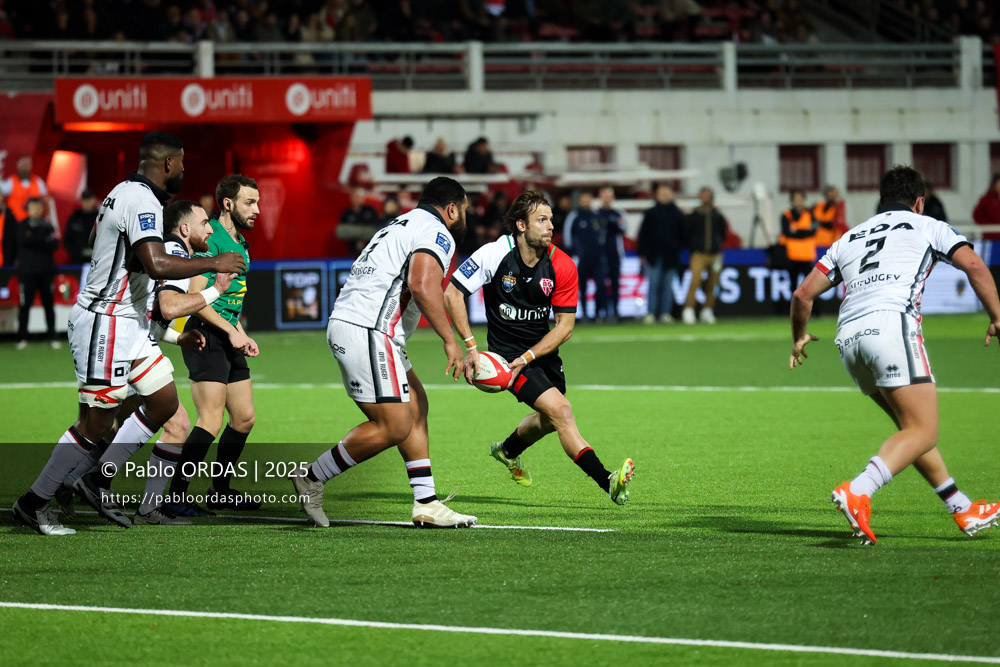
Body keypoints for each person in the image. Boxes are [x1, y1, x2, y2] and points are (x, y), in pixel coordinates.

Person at [10, 131, 246, 536]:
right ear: (168, 163)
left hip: (130, 322)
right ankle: (33, 503)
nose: (184, 169)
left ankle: (95, 479)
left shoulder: (121, 192)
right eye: (182, 162)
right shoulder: (140, 199)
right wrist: (214, 264)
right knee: (96, 423)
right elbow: (156, 265)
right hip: (105, 320)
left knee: (164, 402)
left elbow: (98, 239)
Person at [790, 165, 1000, 545]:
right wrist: (997, 316)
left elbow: (803, 295)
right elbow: (973, 264)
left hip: (848, 337)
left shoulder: (849, 237)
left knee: (912, 430)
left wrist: (799, 337)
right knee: (924, 431)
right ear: (919, 201)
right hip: (890, 326)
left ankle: (962, 507)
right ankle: (858, 490)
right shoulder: (928, 225)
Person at [289, 176, 476, 529]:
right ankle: (312, 476)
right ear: (451, 209)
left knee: (417, 406)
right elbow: (421, 284)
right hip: (370, 329)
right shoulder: (437, 231)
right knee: (394, 425)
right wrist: (450, 340)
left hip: (363, 326)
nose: (465, 217)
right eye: (464, 210)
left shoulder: (401, 223)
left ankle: (426, 503)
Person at [444, 191, 635, 504]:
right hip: (507, 357)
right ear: (521, 225)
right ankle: (609, 481)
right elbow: (452, 293)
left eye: (551, 220)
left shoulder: (562, 264)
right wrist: (470, 347)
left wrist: (530, 356)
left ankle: (507, 451)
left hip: (541, 353)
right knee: (562, 411)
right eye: (542, 220)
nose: (550, 226)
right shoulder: (494, 254)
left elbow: (565, 327)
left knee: (548, 420)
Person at [54, 200, 235, 526]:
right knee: (173, 423)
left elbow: (150, 317)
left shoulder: (165, 252)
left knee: (111, 425)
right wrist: (216, 291)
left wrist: (178, 338)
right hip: (119, 342)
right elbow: (169, 307)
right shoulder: (176, 253)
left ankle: (69, 483)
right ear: (184, 228)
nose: (210, 229)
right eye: (204, 223)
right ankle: (106, 488)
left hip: (118, 338)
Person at [167, 175, 260, 515]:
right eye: (249, 203)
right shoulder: (212, 239)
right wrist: (230, 331)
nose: (257, 210)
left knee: (244, 419)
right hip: (205, 334)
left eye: (257, 203)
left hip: (226, 334)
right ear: (228, 204)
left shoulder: (241, 244)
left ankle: (220, 491)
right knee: (209, 420)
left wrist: (240, 332)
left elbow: (228, 301)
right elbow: (196, 298)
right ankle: (175, 496)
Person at [15, 198, 59, 349]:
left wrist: (35, 239)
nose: (36, 210)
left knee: (49, 305)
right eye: (33, 207)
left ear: (42, 209)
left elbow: (54, 244)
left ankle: (52, 337)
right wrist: (42, 239)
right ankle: (22, 338)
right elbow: (23, 241)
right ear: (28, 209)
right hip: (27, 272)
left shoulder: (48, 225)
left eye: (38, 207)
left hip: (46, 272)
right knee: (25, 305)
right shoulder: (21, 225)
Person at [638, 184, 685, 324]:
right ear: (656, 196)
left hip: (671, 256)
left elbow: (683, 235)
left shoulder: (678, 214)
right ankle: (651, 313)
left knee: (668, 286)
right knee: (653, 285)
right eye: (661, 193)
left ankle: (665, 313)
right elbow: (643, 234)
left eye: (666, 193)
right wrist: (642, 253)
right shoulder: (650, 213)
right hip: (653, 255)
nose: (664, 196)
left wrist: (677, 248)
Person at [681, 187, 727, 325]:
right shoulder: (694, 215)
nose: (706, 198)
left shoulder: (718, 215)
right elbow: (687, 234)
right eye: (703, 195)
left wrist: (716, 245)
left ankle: (707, 309)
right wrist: (694, 246)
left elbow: (723, 233)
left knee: (713, 284)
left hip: (715, 254)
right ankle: (688, 309)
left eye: (708, 195)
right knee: (695, 281)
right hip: (698, 254)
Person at [562, 191, 605, 323]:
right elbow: (567, 236)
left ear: (591, 200)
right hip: (581, 258)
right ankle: (585, 313)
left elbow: (602, 235)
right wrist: (573, 254)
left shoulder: (596, 215)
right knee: (582, 286)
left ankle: (598, 313)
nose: (585, 202)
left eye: (588, 199)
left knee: (600, 285)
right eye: (583, 200)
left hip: (597, 258)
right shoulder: (574, 216)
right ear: (580, 201)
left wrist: (601, 252)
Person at [597, 185, 626, 322]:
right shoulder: (596, 213)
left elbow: (624, 227)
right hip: (600, 254)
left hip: (614, 253)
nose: (607, 198)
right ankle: (600, 312)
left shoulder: (618, 212)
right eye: (604, 195)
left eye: (609, 195)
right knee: (600, 283)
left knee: (615, 282)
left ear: (613, 197)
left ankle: (615, 310)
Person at [779, 188, 818, 284]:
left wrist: (795, 231)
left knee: (810, 284)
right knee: (793, 284)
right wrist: (805, 231)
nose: (798, 202)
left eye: (800, 199)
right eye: (796, 200)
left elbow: (813, 231)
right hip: (791, 256)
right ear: (792, 201)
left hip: (807, 256)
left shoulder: (811, 214)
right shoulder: (786, 215)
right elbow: (786, 232)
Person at [1, 156, 50, 223]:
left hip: (32, 222)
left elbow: (46, 201)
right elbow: (2, 196)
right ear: (17, 166)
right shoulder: (10, 181)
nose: (24, 168)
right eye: (22, 165)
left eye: (26, 165)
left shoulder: (38, 182)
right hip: (13, 221)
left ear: (31, 166)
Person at [336, 187, 381, 256]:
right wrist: (362, 234)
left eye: (359, 196)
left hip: (369, 251)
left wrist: (359, 236)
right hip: (351, 251)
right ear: (351, 198)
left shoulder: (370, 210)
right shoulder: (347, 212)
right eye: (355, 196)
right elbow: (341, 231)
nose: (357, 199)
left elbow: (375, 230)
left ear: (363, 198)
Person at [64, 189, 99, 265]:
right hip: (77, 261)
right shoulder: (74, 218)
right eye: (85, 200)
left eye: (89, 200)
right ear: (81, 201)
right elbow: (67, 240)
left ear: (94, 200)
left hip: (98, 261)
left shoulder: (100, 218)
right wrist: (77, 254)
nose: (87, 203)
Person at [972, 175, 1000, 242]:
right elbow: (976, 215)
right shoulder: (987, 199)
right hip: (991, 237)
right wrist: (988, 226)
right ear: (994, 185)